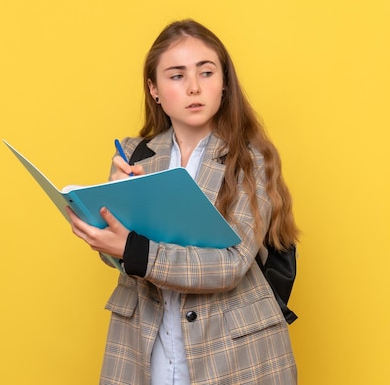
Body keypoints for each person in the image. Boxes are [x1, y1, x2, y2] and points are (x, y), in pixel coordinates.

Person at [65, 19, 299, 385]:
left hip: (234, 356)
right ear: (154, 88)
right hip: (144, 348)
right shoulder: (134, 156)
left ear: (224, 83)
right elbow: (119, 257)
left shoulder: (251, 159)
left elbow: (230, 264)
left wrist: (133, 247)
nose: (194, 88)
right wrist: (104, 223)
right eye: (176, 76)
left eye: (206, 73)